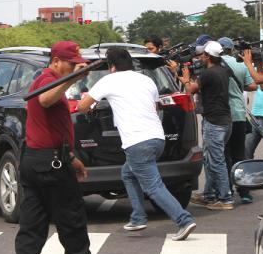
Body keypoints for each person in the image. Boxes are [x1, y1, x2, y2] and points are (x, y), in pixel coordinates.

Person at [77, 48, 198, 241]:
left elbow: (82, 107)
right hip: (157, 139)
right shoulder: (146, 80)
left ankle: (183, 220)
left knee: (153, 186)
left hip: (137, 142)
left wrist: (86, 100)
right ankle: (138, 217)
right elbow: (155, 105)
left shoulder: (109, 80)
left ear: (112, 66)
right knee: (128, 173)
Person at [15, 41, 91, 254]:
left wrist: (71, 157)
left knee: (32, 225)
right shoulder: (47, 80)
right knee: (72, 225)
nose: (75, 68)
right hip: (50, 165)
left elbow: (55, 130)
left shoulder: (53, 81)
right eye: (71, 64)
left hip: (40, 160)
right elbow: (45, 99)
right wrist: (72, 80)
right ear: (56, 61)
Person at [179, 41, 234, 210]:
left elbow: (190, 90)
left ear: (208, 56)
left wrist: (186, 78)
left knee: (216, 161)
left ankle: (225, 199)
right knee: (210, 159)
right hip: (225, 120)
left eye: (202, 55)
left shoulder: (208, 74)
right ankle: (209, 194)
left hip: (214, 122)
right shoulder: (224, 70)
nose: (200, 58)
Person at [218, 37, 257, 204]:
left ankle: (226, 190)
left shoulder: (214, 67)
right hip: (239, 115)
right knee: (239, 155)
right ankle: (245, 191)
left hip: (222, 116)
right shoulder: (240, 66)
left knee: (223, 155)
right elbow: (253, 86)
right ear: (231, 49)